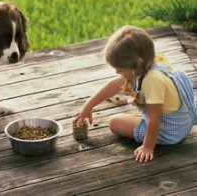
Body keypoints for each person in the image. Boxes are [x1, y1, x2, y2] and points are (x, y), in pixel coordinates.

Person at [75, 25, 196, 163]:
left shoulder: (152, 80)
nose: (117, 73)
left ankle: (153, 139)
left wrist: (147, 147)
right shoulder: (153, 61)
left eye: (119, 70)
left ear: (135, 66)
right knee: (134, 102)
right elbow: (114, 85)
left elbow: (154, 119)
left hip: (172, 131)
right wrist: (88, 106)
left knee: (115, 122)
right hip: (186, 115)